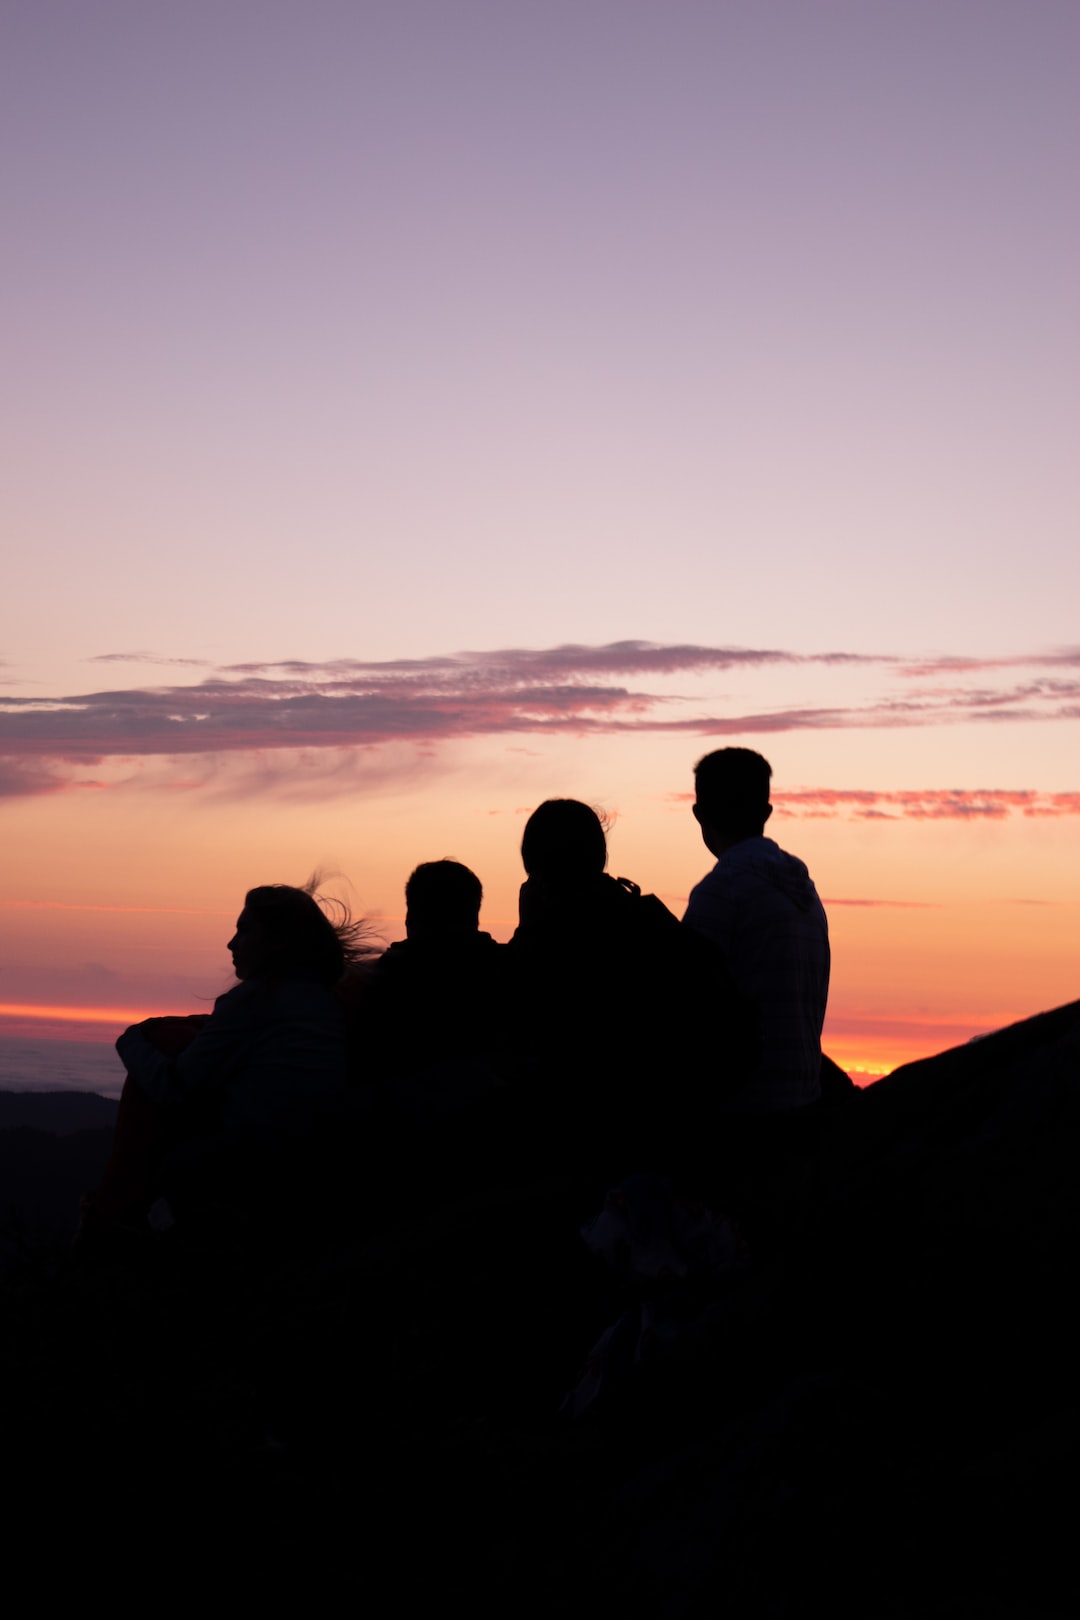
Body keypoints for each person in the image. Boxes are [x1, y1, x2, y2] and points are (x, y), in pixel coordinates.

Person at [87, 882, 364, 1241]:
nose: (232, 944)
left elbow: (174, 1087)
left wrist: (131, 1040)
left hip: (250, 1166)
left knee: (161, 1066)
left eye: (245, 931)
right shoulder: (322, 999)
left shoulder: (255, 1000)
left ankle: (111, 1231)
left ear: (277, 941)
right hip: (314, 1159)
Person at [683, 748, 830, 1114]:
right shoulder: (805, 894)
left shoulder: (721, 892)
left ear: (700, 815)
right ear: (766, 812)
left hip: (745, 1111)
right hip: (804, 1102)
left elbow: (685, 1003)